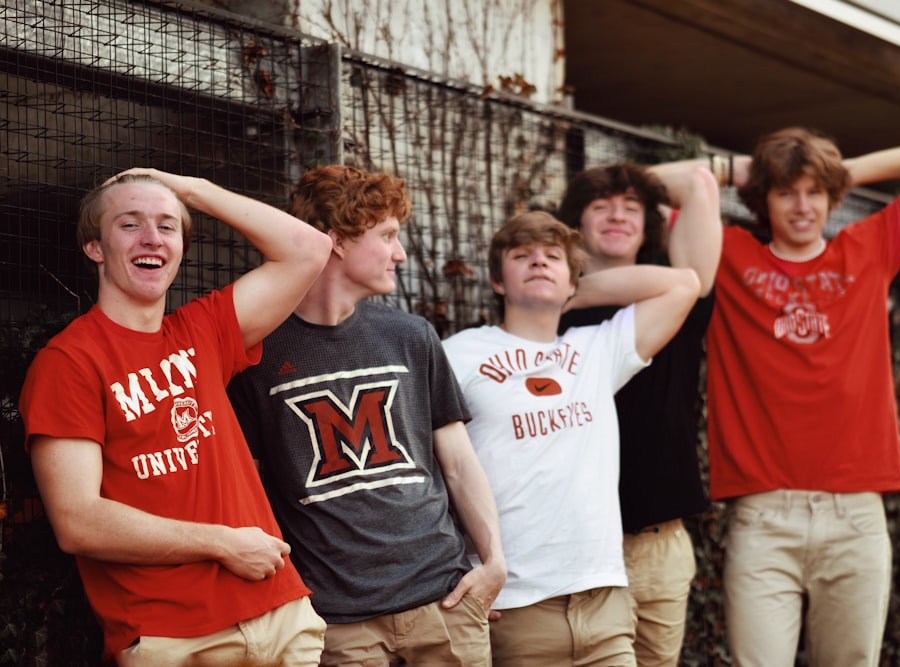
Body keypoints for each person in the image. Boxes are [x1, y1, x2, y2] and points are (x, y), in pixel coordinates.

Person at [19, 169, 333, 665]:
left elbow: (309, 250)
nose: (151, 238)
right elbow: (78, 521)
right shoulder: (69, 361)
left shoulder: (202, 330)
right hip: (174, 636)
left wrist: (192, 191)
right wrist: (222, 544)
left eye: (167, 227)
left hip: (278, 614)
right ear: (94, 247)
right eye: (129, 224)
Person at [706, 128, 900, 665]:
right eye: (786, 192)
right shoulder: (730, 257)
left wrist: (840, 169)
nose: (803, 206)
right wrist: (741, 170)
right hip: (763, 516)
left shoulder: (869, 249)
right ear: (764, 200)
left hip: (855, 516)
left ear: (832, 196)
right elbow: (653, 187)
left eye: (815, 192)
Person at [226, 164, 506, 667]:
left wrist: (494, 563)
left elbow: (459, 462)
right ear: (335, 240)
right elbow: (244, 484)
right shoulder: (257, 352)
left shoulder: (411, 335)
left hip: (444, 600)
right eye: (388, 236)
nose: (400, 253)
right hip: (337, 619)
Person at [443, 210, 702, 666]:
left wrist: (572, 292)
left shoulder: (596, 349)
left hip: (603, 598)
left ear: (573, 281)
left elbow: (684, 284)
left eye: (552, 257)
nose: (538, 262)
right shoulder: (458, 353)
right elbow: (439, 467)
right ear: (497, 281)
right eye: (521, 256)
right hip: (516, 603)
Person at [557, 161, 721, 666]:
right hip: (576, 544)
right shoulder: (544, 309)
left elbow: (696, 183)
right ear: (576, 225)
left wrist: (618, 178)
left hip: (658, 545)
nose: (617, 215)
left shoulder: (679, 298)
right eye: (600, 205)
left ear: (651, 225)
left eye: (632, 207)